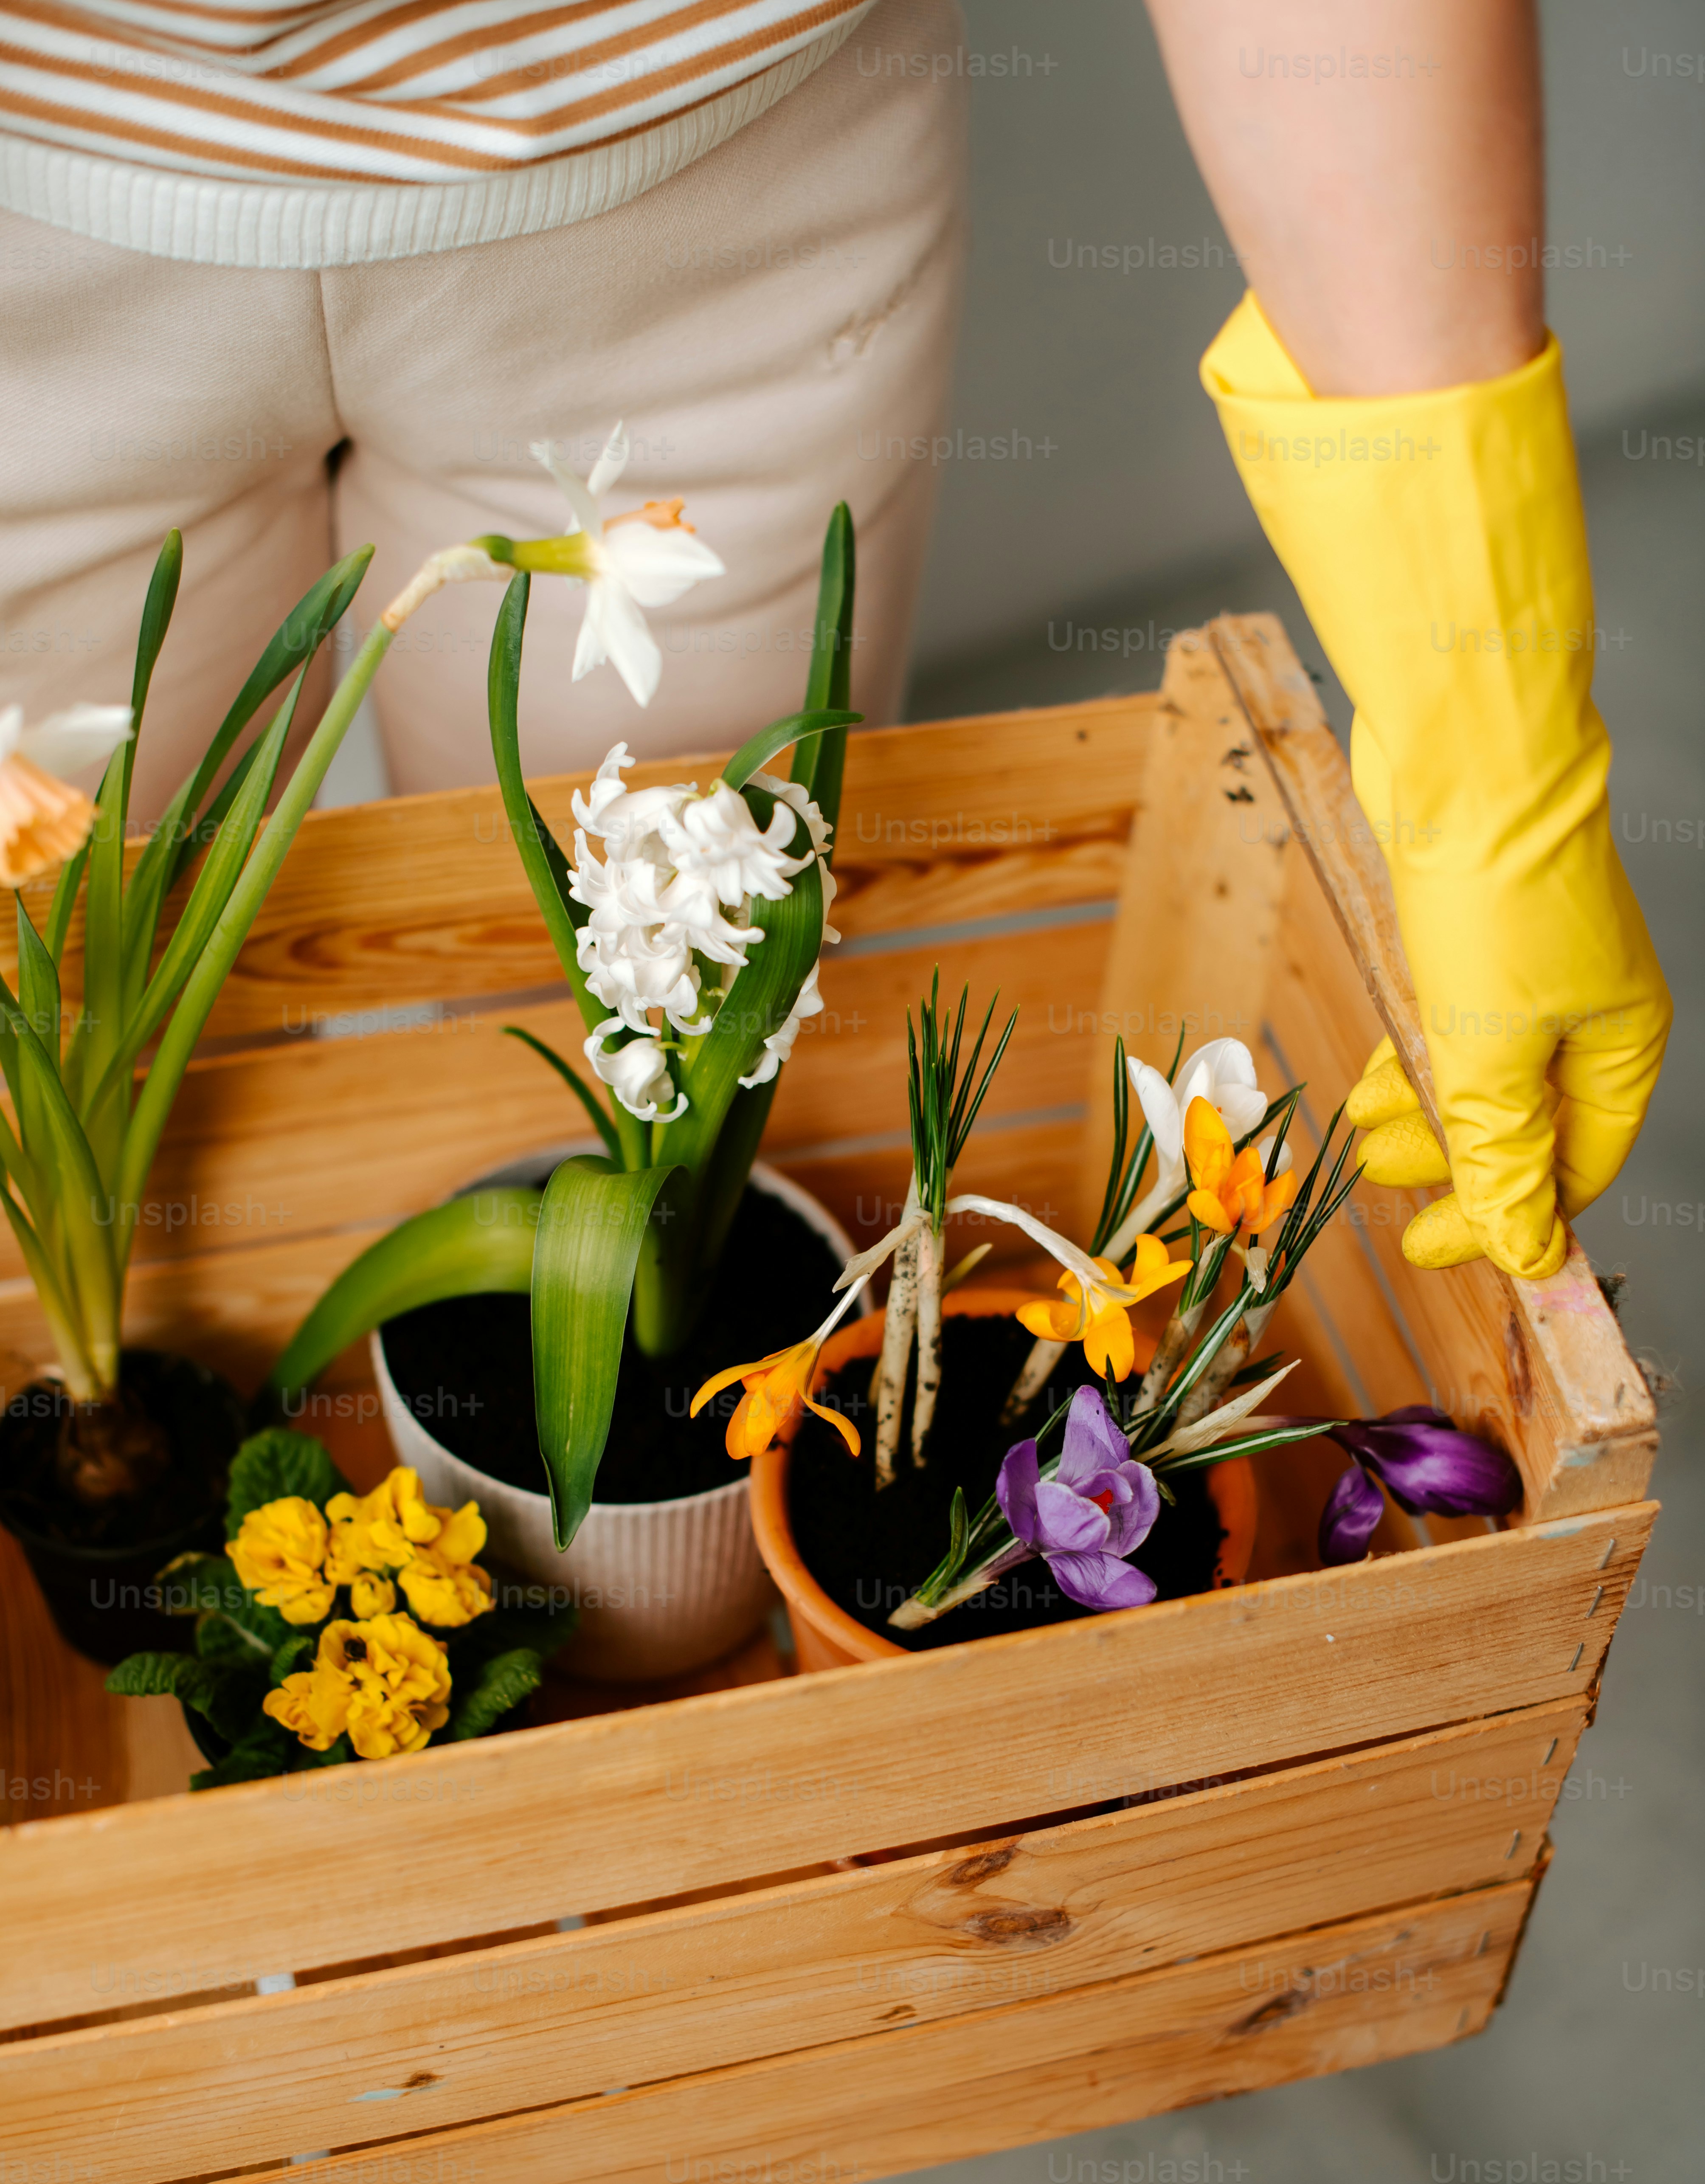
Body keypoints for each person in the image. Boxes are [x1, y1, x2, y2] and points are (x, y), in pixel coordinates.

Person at [0, 0, 1667, 1281]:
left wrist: (1484, 729)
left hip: (718, 163)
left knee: (673, 1040)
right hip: (34, 209)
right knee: (72, 1109)